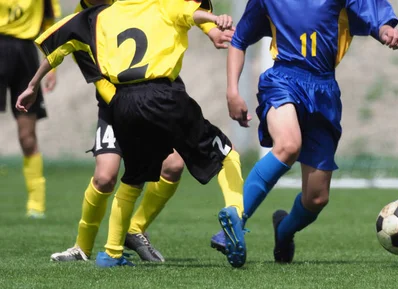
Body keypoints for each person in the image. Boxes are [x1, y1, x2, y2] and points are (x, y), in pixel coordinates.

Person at [17, 0, 245, 268]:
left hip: (128, 100)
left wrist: (211, 30)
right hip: (125, 99)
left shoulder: (103, 15)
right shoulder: (91, 18)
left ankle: (120, 243)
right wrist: (213, 22)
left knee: (159, 169)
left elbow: (184, 11)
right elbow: (187, 11)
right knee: (106, 177)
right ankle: (83, 247)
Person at [217, 0, 398, 263]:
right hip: (283, 79)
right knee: (288, 145)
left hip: (324, 92)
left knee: (316, 198)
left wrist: (385, 30)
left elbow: (373, 14)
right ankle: (234, 221)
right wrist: (232, 91)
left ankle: (284, 231)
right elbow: (239, 40)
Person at [0, 0, 61, 219]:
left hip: (25, 53)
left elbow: (49, 23)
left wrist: (51, 67)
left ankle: (36, 204)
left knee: (27, 136)